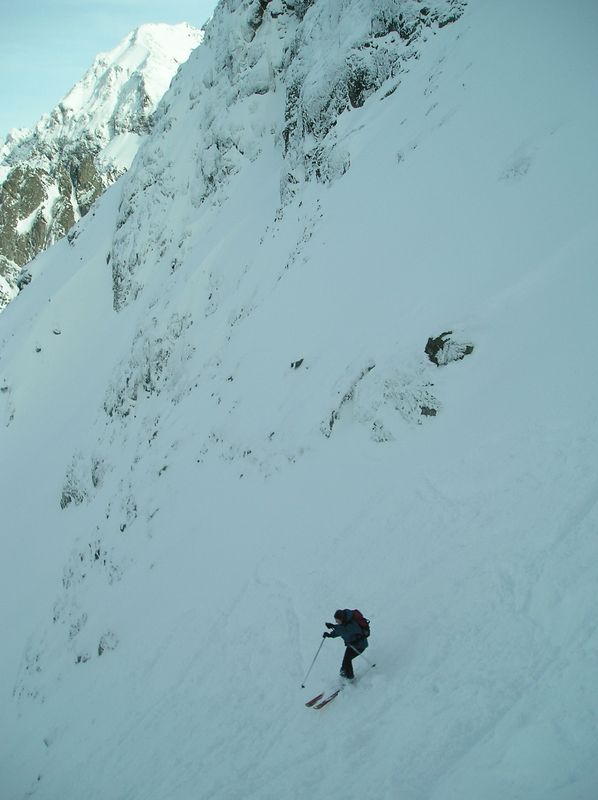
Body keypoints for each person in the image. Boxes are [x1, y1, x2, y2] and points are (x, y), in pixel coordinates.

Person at [322, 608, 368, 680]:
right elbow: (340, 630)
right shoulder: (345, 622)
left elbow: (344, 630)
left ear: (342, 619)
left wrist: (333, 626)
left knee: (347, 659)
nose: (336, 622)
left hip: (360, 645)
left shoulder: (352, 624)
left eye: (337, 620)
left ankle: (350, 677)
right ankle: (344, 673)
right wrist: (330, 634)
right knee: (346, 660)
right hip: (352, 645)